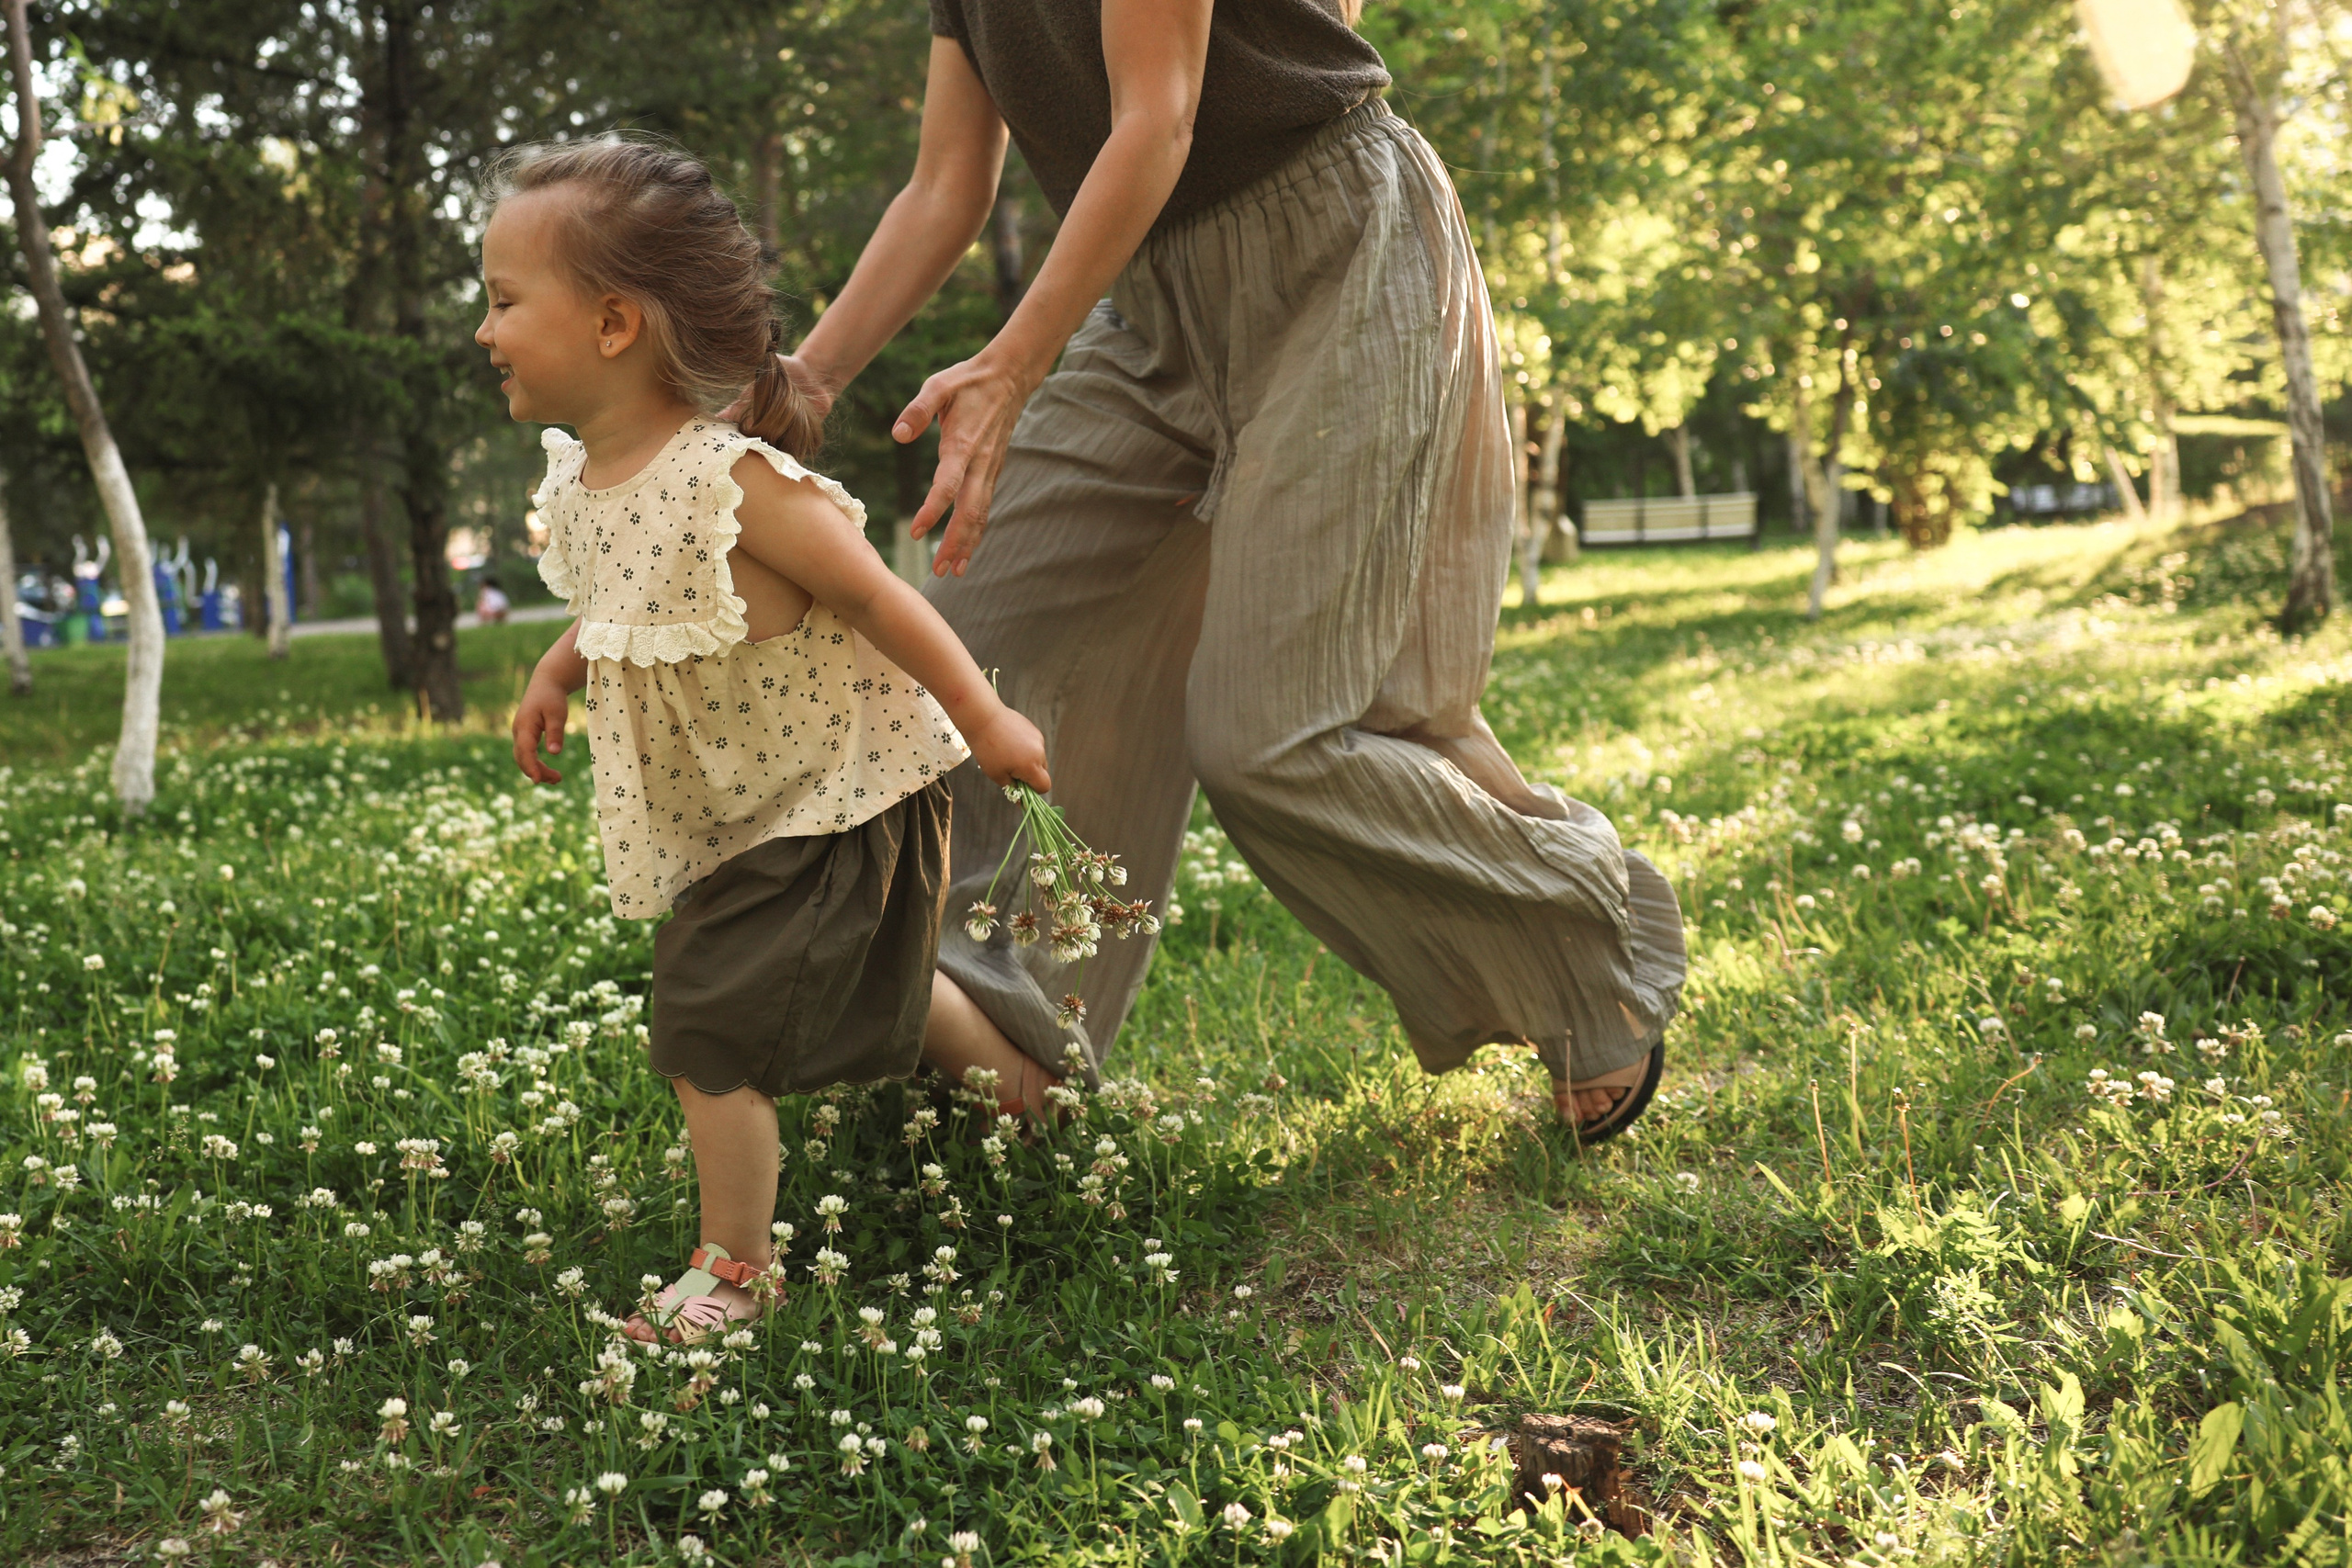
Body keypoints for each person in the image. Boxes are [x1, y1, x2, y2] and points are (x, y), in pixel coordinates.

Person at [771, 0, 1687, 1140]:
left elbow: (1158, 119)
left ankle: (1583, 943)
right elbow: (944, 187)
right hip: (1152, 303)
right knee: (958, 657)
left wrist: (1011, 362)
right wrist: (801, 385)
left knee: (1270, 740)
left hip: (1337, 248)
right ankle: (1012, 1030)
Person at [486, 137, 1056, 1345]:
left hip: (832, 802)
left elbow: (882, 601)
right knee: (848, 994)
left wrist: (988, 715)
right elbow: (618, 599)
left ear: (613, 324)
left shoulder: (730, 481)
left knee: (707, 1024)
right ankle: (1024, 1087)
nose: (485, 332)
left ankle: (736, 1271)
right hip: (743, 808)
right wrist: (554, 666)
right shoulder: (589, 477)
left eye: (502, 301)